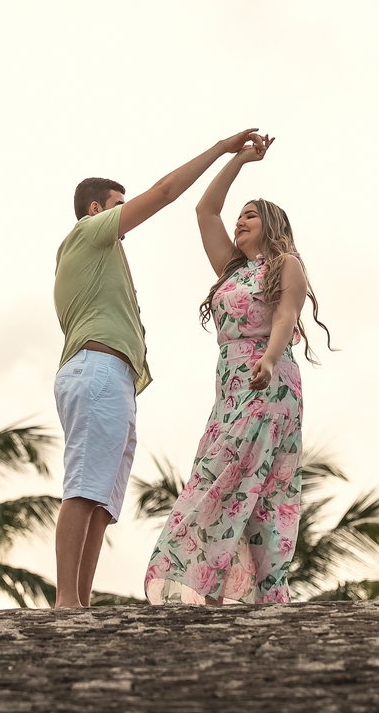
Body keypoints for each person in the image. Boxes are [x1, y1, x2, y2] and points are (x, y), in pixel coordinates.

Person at [52, 128, 264, 609]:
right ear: (95, 210)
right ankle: (66, 601)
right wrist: (221, 150)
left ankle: (79, 601)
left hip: (114, 376)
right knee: (85, 487)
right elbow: (166, 193)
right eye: (117, 207)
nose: (125, 220)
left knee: (103, 503)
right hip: (97, 369)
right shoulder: (88, 234)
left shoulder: (104, 256)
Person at [144, 134, 333, 604]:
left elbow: (287, 316)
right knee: (221, 476)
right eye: (240, 216)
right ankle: (214, 590)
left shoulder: (285, 264)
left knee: (246, 482)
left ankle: (229, 592)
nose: (239, 221)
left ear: (271, 225)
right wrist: (239, 158)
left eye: (250, 215)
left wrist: (269, 358)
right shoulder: (232, 270)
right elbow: (205, 211)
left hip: (269, 383)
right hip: (230, 390)